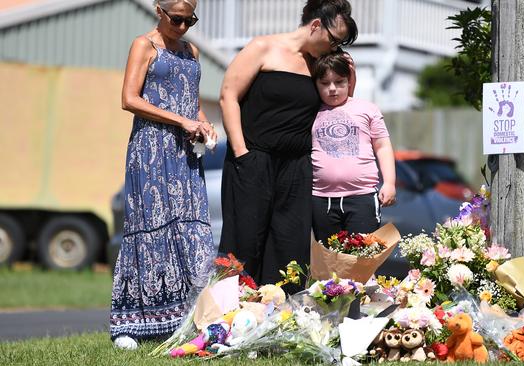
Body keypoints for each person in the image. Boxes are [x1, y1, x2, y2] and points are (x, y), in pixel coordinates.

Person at [218, 0, 358, 289]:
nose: (334, 48)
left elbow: (338, 107)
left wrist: (350, 78)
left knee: (289, 246)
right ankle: (230, 317)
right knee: (244, 240)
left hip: (297, 166)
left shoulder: (319, 65)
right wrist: (242, 153)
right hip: (253, 158)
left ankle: (280, 322)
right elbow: (228, 95)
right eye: (334, 40)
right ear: (316, 25)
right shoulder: (263, 48)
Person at [110, 0, 217, 350]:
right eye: (177, 19)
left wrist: (202, 123)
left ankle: (187, 318)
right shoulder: (144, 45)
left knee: (194, 231)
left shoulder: (191, 51)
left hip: (186, 153)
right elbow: (129, 98)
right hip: (151, 150)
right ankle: (134, 324)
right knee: (151, 229)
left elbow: (192, 101)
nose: (184, 27)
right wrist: (180, 120)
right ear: (159, 10)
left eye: (190, 20)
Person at [310, 50, 396, 243]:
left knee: (362, 258)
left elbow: (382, 146)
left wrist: (389, 182)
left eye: (339, 82)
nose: (332, 88)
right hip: (321, 198)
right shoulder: (310, 113)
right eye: (325, 83)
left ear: (349, 81)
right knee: (329, 261)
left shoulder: (367, 109)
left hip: (361, 196)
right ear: (316, 85)